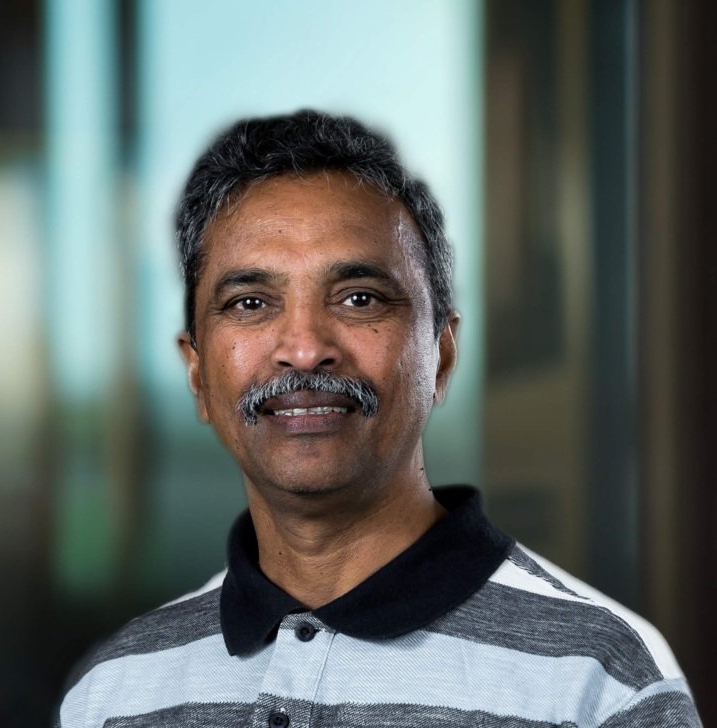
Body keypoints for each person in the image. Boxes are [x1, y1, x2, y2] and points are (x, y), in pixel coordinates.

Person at [56, 110, 701, 727]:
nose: (304, 348)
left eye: (359, 298)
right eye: (250, 302)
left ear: (442, 358)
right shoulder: (112, 694)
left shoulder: (603, 683)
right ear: (197, 373)